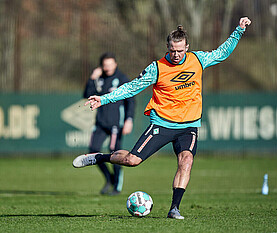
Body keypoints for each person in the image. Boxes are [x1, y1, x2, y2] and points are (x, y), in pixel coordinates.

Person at [74, 17, 251, 218]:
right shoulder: (157, 68)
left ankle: (174, 208)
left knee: (186, 161)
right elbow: (131, 88)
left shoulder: (198, 59)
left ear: (187, 47)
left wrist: (239, 30)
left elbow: (222, 53)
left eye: (180, 50)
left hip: (189, 125)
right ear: (167, 47)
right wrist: (104, 99)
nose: (176, 54)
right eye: (172, 50)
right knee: (133, 160)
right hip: (163, 123)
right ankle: (99, 157)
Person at [83, 52, 135, 196]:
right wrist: (92, 78)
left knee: (115, 154)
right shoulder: (98, 79)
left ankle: (117, 187)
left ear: (115, 64)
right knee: (93, 151)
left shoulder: (122, 79)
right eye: (105, 65)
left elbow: (131, 101)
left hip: (115, 124)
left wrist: (129, 120)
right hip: (100, 123)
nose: (107, 67)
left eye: (110, 64)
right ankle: (109, 178)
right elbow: (87, 94)